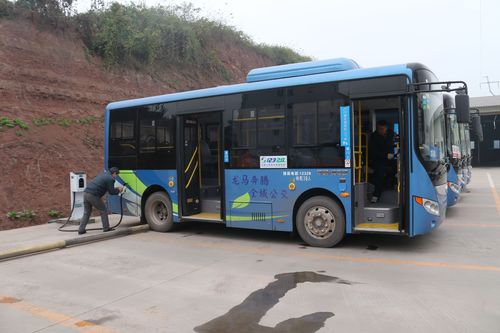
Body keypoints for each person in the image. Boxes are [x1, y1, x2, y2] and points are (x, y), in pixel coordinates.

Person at [78, 167, 124, 235]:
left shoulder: (104, 175)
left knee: (86, 212)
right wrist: (119, 190)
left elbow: (107, 187)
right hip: (93, 195)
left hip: (86, 193)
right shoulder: (111, 179)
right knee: (103, 210)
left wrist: (115, 188)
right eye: (116, 175)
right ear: (114, 173)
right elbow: (111, 192)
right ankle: (106, 228)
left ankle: (81, 229)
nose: (116, 177)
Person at [369, 120, 395, 203]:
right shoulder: (374, 137)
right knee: (380, 172)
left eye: (383, 129)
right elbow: (373, 152)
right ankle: (376, 195)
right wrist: (385, 156)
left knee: (400, 166)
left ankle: (394, 185)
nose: (381, 131)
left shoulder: (390, 135)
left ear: (386, 128)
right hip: (378, 160)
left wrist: (391, 155)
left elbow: (392, 146)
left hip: (390, 159)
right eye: (379, 129)